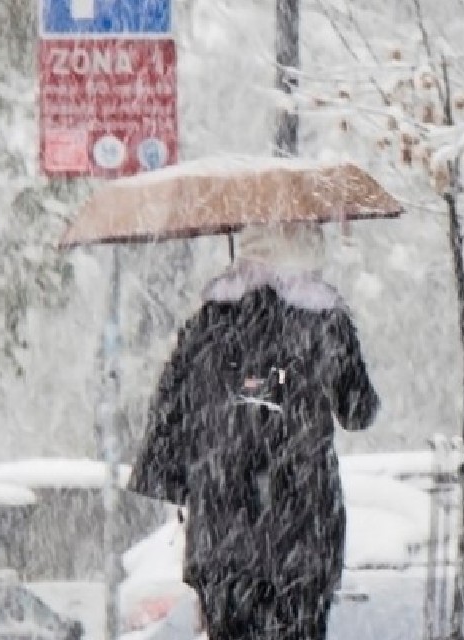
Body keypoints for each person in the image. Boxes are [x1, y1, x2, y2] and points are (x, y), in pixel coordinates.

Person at [127, 221, 380, 640]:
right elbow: (358, 412)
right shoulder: (325, 322)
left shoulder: (207, 324)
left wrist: (182, 482)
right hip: (304, 531)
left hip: (223, 536)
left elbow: (169, 415)